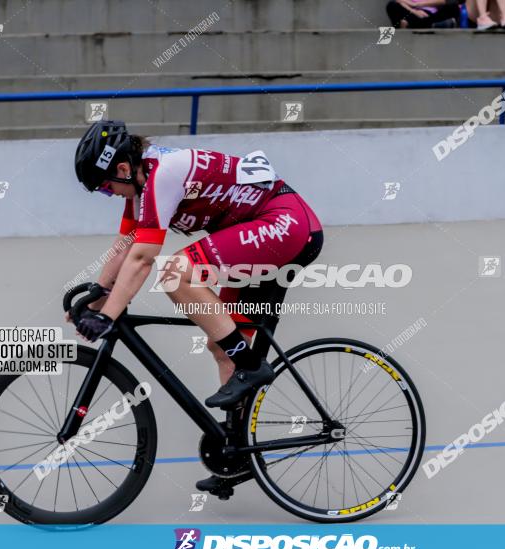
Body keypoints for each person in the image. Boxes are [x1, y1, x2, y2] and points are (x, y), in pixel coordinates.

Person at [71, 120, 323, 417]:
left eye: (104, 188)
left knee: (176, 272)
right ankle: (240, 451)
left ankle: (252, 367)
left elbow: (142, 259)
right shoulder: (141, 185)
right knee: (224, 347)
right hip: (267, 230)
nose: (110, 194)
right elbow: (124, 248)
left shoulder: (163, 174)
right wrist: (96, 299)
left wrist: (107, 316)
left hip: (285, 224)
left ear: (123, 169)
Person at [386, 0, 463, 28]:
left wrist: (418, 5)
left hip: (430, 14)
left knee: (453, 5)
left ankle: (410, 25)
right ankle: (431, 25)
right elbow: (399, 1)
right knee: (392, 5)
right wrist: (414, 11)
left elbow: (444, 1)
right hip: (410, 12)